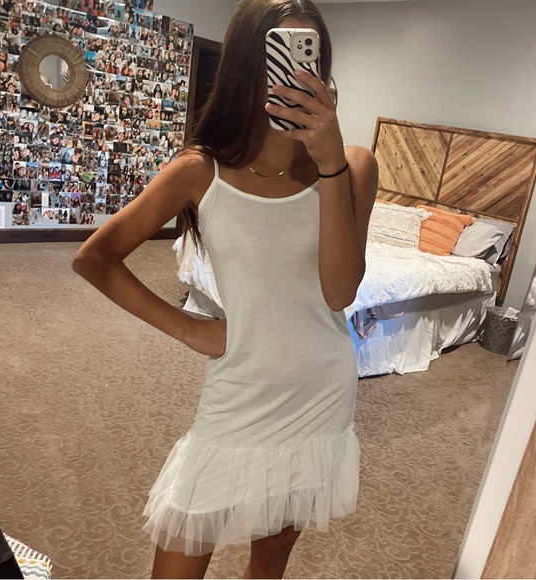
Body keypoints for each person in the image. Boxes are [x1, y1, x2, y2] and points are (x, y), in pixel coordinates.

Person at [72, 0, 377, 578]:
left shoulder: (354, 166)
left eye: (309, 59)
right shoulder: (200, 170)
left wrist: (331, 164)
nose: (295, 75)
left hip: (320, 390)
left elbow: (340, 291)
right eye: (278, 58)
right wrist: (190, 329)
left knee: (272, 555)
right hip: (241, 388)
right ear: (245, 66)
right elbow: (95, 258)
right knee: (180, 556)